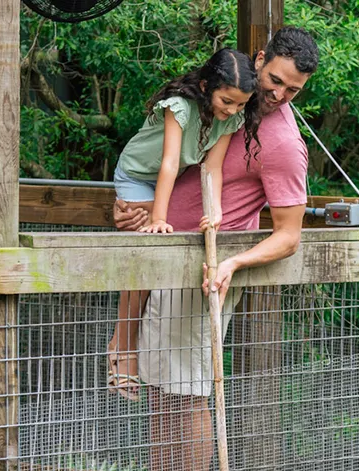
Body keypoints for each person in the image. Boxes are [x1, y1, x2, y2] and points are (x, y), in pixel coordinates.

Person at [114, 27, 319, 471]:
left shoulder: (283, 144)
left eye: (292, 90)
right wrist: (133, 209)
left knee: (186, 398)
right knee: (163, 397)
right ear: (259, 61)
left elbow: (289, 236)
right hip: (167, 259)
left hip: (205, 272)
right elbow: (172, 165)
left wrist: (235, 264)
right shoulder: (232, 104)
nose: (278, 95)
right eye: (274, 81)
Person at [107, 48, 263, 400]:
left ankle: (130, 347)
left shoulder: (231, 118)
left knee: (154, 261)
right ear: (207, 86)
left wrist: (216, 209)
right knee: (146, 255)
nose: (232, 110)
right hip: (138, 176)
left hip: (175, 180)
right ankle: (122, 345)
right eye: (227, 101)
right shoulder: (179, 105)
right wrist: (159, 219)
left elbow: (211, 168)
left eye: (240, 105)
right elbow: (169, 161)